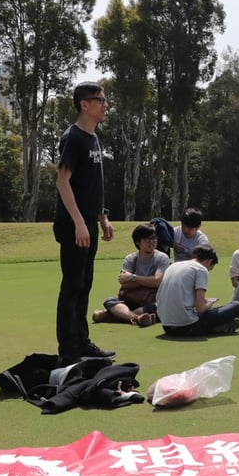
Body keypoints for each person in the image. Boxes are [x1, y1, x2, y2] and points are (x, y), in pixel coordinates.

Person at [52, 81, 116, 365]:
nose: (105, 104)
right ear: (84, 104)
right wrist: (78, 222)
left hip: (89, 220)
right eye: (99, 100)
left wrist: (102, 217)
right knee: (72, 285)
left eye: (105, 100)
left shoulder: (93, 138)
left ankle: (82, 342)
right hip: (72, 223)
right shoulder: (73, 137)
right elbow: (62, 182)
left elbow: (92, 185)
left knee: (85, 284)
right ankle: (68, 351)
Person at [156, 245, 239, 336]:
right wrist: (209, 303)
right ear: (209, 262)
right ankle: (216, 327)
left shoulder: (173, 265)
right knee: (236, 306)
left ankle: (219, 327)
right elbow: (200, 309)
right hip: (188, 326)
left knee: (211, 312)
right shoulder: (201, 269)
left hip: (166, 326)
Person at [93, 223, 169, 327]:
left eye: (154, 238)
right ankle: (137, 318)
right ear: (138, 242)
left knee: (159, 307)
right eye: (148, 239)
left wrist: (133, 277)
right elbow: (125, 284)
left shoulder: (162, 258)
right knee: (109, 301)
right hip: (130, 300)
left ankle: (114, 316)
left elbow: (157, 281)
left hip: (150, 301)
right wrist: (148, 281)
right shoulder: (130, 259)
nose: (152, 242)